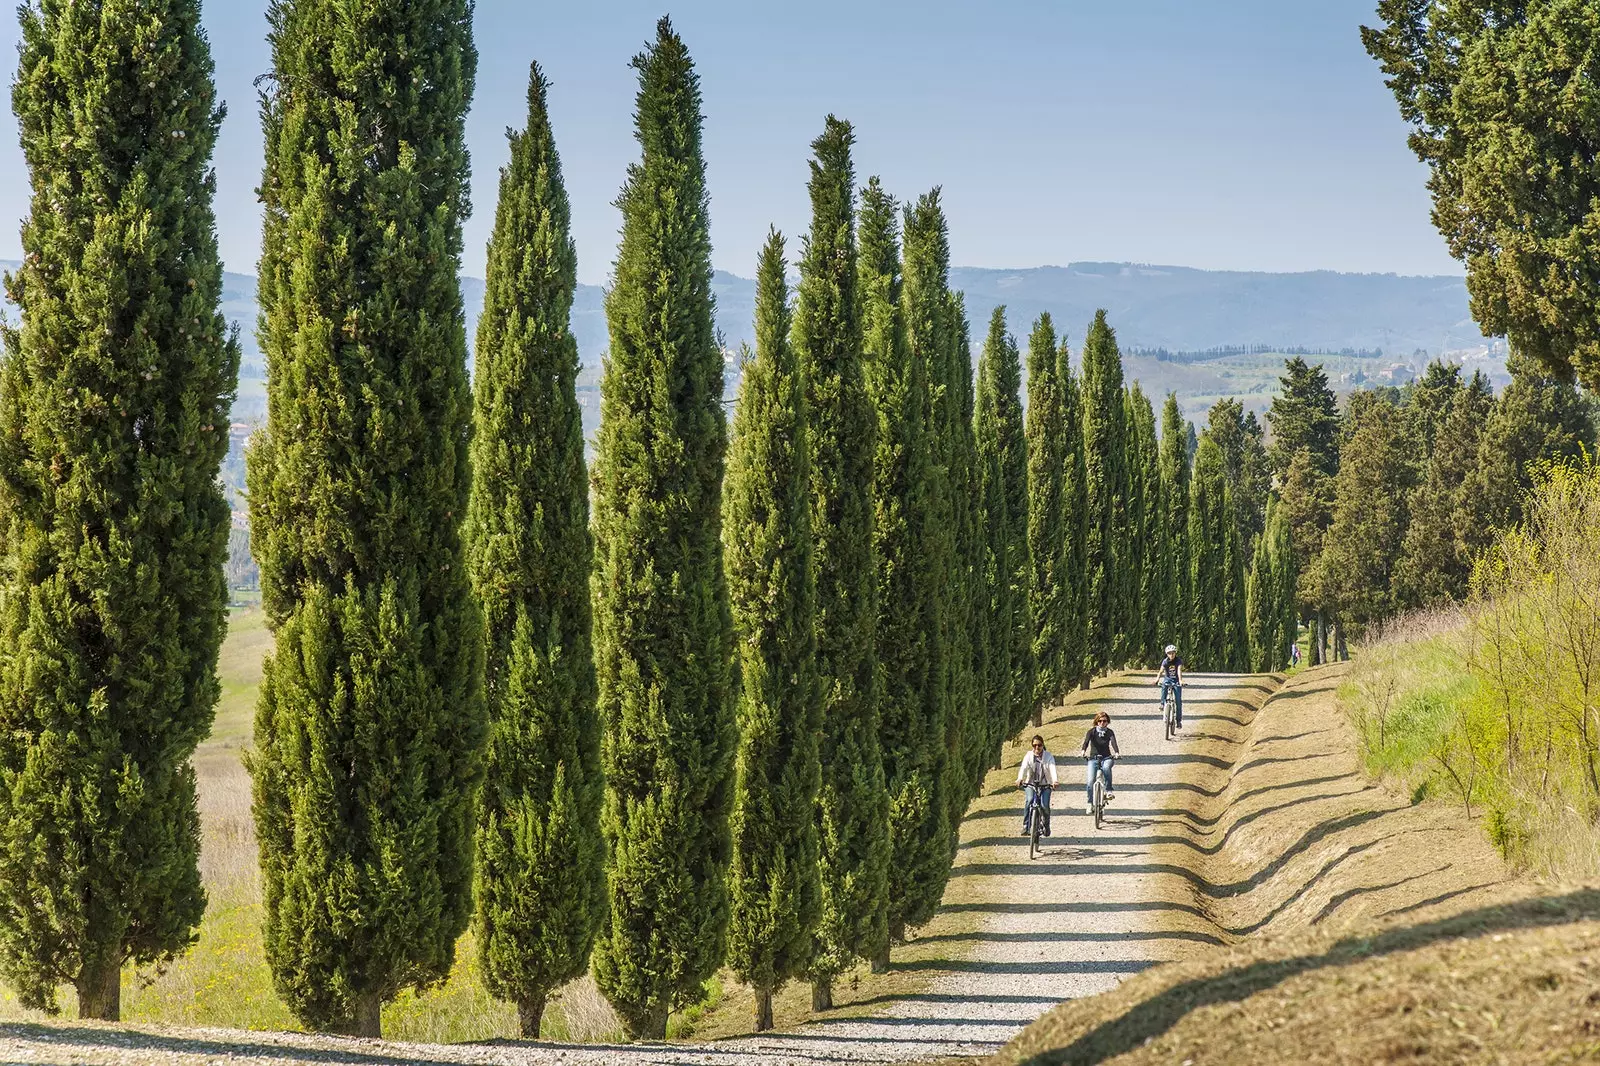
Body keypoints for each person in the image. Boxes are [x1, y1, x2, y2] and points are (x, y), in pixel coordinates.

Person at [1016, 734, 1058, 837]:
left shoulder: (1048, 756)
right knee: (1029, 800)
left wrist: (1054, 781)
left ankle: (1046, 825)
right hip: (1031, 784)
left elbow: (1052, 768)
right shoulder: (1028, 755)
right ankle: (1026, 826)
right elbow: (1024, 767)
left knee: (1044, 806)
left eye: (1039, 745)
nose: (1037, 748)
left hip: (1045, 785)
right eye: (1034, 745)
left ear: (1043, 745)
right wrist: (1020, 778)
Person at [1080, 712, 1120, 814]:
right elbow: (1086, 742)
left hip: (1106, 757)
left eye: (1104, 721)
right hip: (1093, 758)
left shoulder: (1110, 732)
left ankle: (1109, 790)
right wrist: (1083, 752)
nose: (1102, 723)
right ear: (1096, 721)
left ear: (1107, 722)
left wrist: (1116, 753)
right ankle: (1090, 803)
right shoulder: (1091, 732)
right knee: (1090, 781)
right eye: (1100, 721)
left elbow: (1113, 742)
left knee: (1106, 768)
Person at [1154, 643, 1184, 730]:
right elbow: (1160, 671)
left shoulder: (1178, 661)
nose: (1171, 655)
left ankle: (1178, 721)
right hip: (1167, 680)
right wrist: (1157, 679)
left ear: (1175, 653)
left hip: (1176, 681)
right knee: (1163, 687)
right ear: (1167, 654)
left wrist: (1181, 681)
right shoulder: (1165, 661)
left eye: (1173, 653)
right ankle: (1162, 704)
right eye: (1169, 653)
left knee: (1178, 701)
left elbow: (1179, 670)